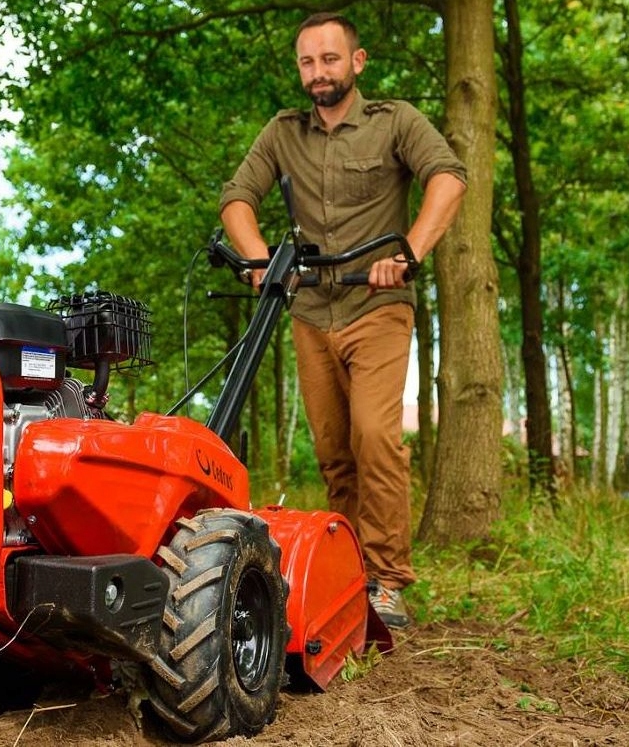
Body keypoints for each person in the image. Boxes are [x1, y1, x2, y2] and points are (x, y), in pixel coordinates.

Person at [218, 12, 466, 629]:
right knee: (334, 453)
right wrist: (258, 260)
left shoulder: (395, 121)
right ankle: (348, 574)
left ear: (357, 62)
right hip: (310, 310)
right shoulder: (283, 133)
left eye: (329, 59)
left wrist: (407, 253)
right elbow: (237, 198)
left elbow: (448, 179)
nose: (318, 72)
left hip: (376, 306)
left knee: (374, 437)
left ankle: (388, 579)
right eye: (308, 62)